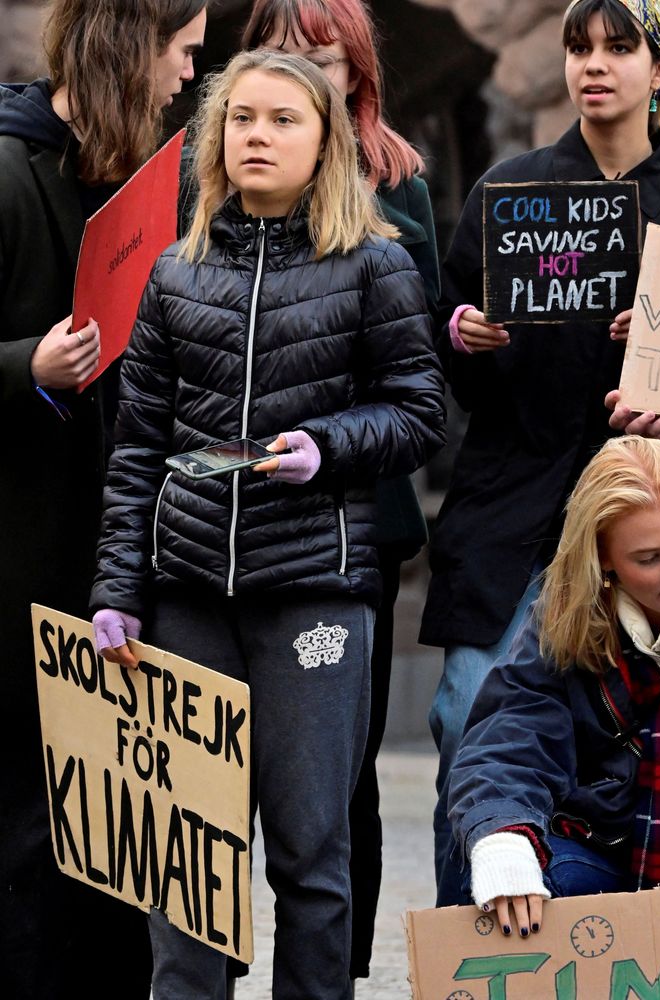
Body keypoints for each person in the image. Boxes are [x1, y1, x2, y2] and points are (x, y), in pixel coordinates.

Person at [90, 48, 445, 1000]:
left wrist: (326, 446)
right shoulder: (176, 271)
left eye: (283, 119)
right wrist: (118, 591)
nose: (258, 134)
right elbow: (137, 452)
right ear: (216, 135)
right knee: (187, 867)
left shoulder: (377, 263)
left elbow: (420, 413)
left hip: (314, 596)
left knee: (310, 853)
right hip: (189, 596)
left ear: (326, 139)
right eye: (241, 117)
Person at [419, 0, 660, 907]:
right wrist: (464, 334)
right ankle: (464, 944)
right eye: (576, 47)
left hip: (649, 509)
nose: (593, 65)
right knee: (467, 722)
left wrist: (654, 353)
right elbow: (436, 358)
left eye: (618, 47)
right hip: (515, 510)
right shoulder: (510, 192)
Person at [0, 2, 207, 997]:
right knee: (29, 845)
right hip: (24, 574)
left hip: (120, 568)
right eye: (183, 52)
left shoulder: (151, 179)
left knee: (122, 845)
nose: (187, 77)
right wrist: (24, 365)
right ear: (136, 48)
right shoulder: (4, 172)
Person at [240, 0, 440, 982]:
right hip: (234, 517)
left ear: (354, 67)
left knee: (337, 770)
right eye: (284, 56)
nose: (304, 74)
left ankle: (333, 967)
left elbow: (423, 374)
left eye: (322, 56)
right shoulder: (223, 182)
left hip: (354, 515)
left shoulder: (397, 189)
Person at [448, 434, 660, 934]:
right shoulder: (565, 619)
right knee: (508, 884)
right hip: (611, 847)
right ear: (604, 558)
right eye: (649, 558)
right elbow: (512, 738)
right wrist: (504, 838)